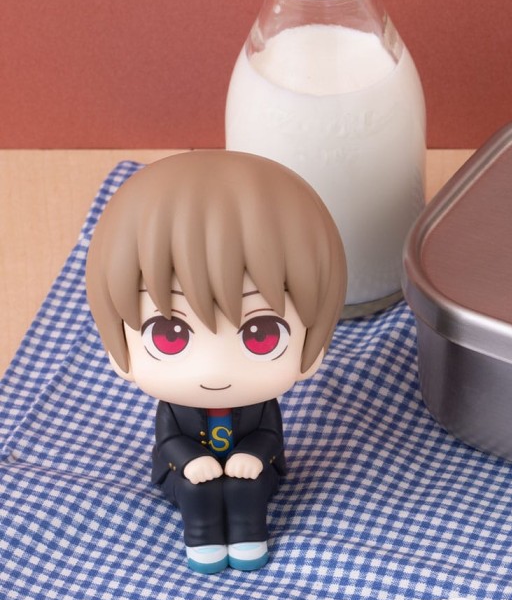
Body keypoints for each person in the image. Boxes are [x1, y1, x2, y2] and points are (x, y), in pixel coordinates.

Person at [85, 151, 346, 573]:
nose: (214, 371)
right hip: (184, 474)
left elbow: (269, 435)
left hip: (253, 471)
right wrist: (190, 461)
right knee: (196, 492)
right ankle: (203, 542)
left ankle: (249, 538)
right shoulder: (174, 407)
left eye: (261, 335)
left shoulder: (260, 404)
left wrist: (255, 455)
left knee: (249, 487)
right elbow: (168, 441)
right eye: (170, 336)